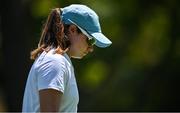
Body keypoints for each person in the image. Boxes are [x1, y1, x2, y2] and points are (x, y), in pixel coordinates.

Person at [22, 4, 112, 112]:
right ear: (73, 30)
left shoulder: (60, 61)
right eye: (90, 40)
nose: (91, 48)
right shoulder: (55, 62)